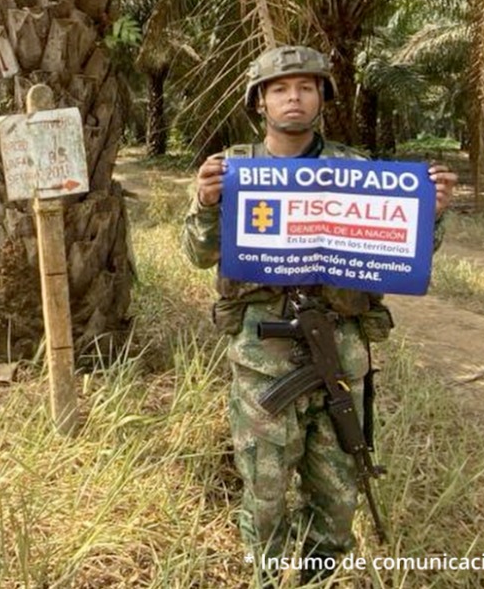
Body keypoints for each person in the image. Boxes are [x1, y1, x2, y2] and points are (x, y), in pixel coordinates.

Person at [182, 45, 455, 584]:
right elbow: (198, 254)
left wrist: (432, 214)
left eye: (306, 88)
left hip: (340, 357)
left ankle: (318, 579)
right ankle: (264, 579)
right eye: (280, 89)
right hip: (263, 361)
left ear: (322, 98)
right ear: (260, 102)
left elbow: (398, 252)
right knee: (264, 497)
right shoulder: (234, 170)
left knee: (337, 501)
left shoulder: (357, 171)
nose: (294, 98)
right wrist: (205, 204)